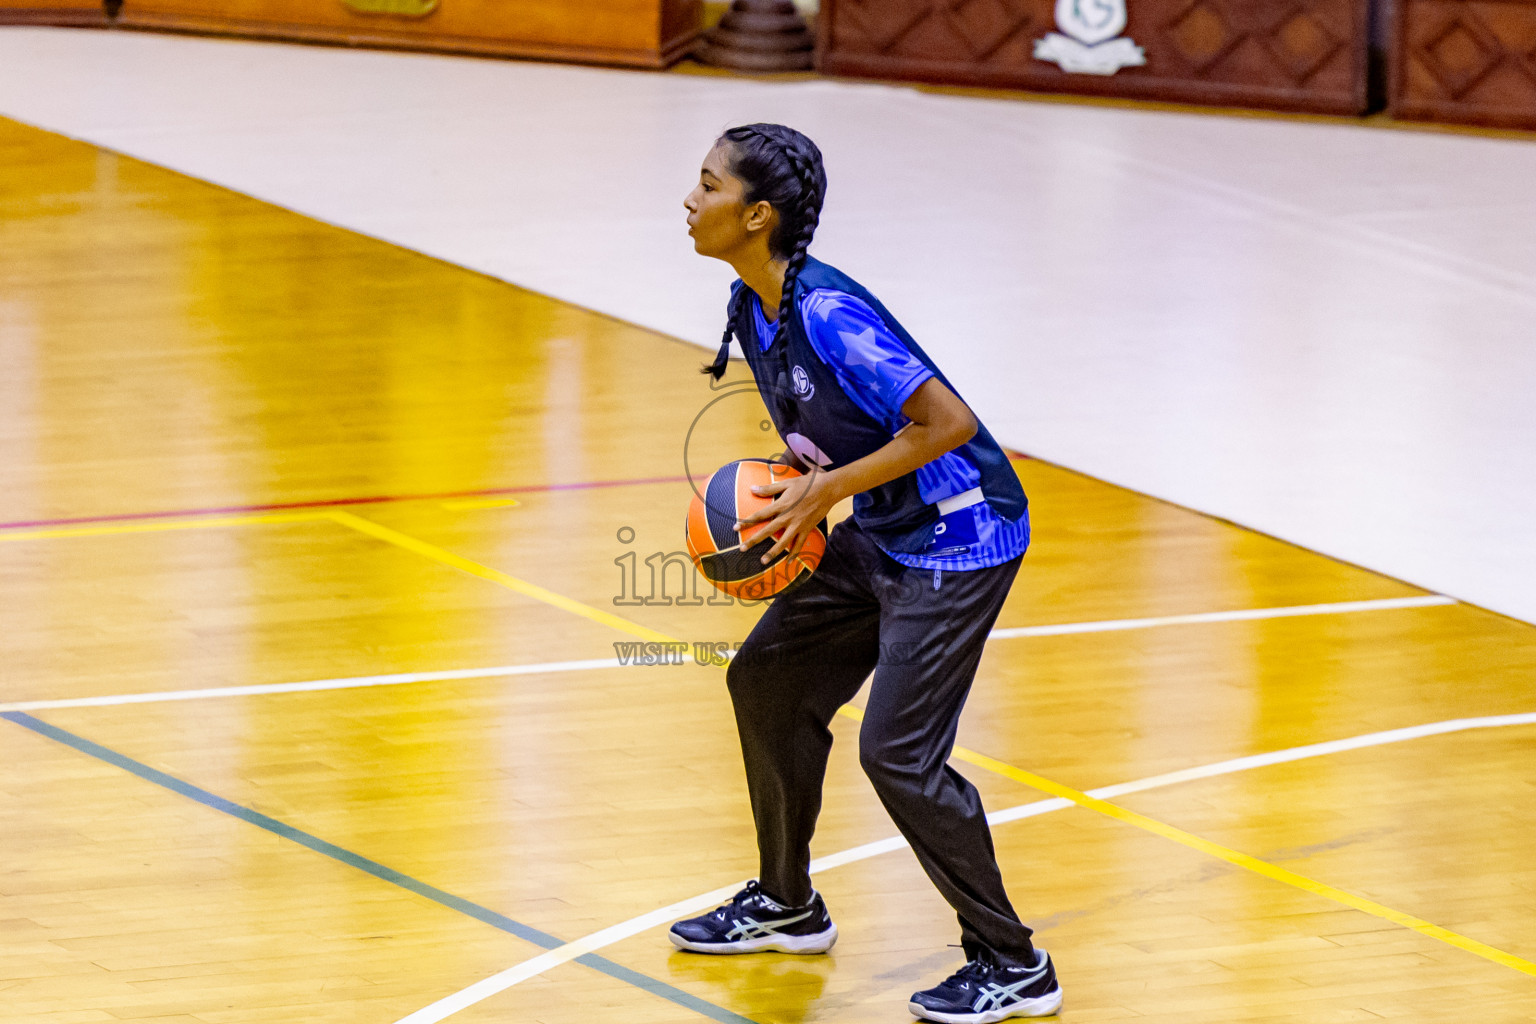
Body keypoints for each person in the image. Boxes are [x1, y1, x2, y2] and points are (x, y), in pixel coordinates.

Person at [671, 123, 1063, 1023]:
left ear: (757, 214)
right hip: (883, 529)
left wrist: (824, 496)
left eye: (707, 185)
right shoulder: (751, 304)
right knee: (767, 679)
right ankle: (786, 903)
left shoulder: (829, 311)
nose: (689, 201)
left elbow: (946, 423)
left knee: (899, 755)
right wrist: (794, 503)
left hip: (958, 540)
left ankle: (1012, 962)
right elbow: (833, 429)